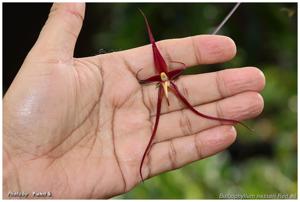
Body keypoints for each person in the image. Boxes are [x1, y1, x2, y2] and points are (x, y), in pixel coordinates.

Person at [3, 3, 265, 199]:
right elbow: (155, 65)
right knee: (162, 119)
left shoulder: (166, 79)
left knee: (191, 108)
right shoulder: (162, 80)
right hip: (162, 80)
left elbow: (162, 72)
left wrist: (13, 171)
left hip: (165, 80)